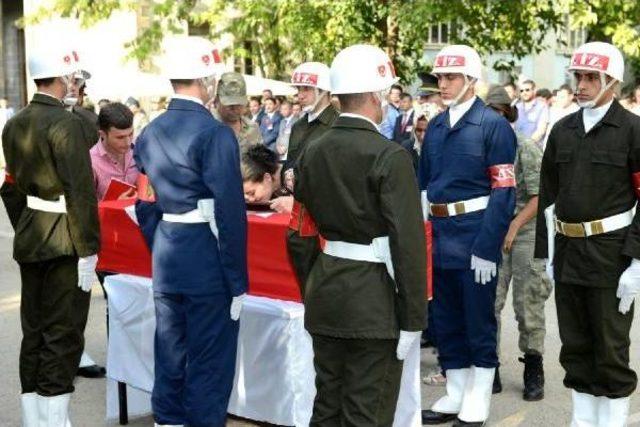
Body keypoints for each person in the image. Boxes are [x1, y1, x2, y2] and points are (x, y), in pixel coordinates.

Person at [287, 43, 426, 427]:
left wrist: (312, 286)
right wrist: (414, 317)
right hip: (374, 302)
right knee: (366, 412)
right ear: (374, 95)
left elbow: (299, 232)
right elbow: (408, 245)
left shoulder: (312, 150)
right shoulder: (390, 155)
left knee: (327, 407)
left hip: (327, 289)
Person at [133, 36, 248, 427]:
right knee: (209, 362)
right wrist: (237, 280)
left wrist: (160, 238)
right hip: (205, 258)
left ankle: (167, 421)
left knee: (170, 353)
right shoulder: (215, 134)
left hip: (168, 253)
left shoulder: (149, 131)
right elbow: (231, 214)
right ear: (206, 81)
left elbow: (143, 201)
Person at [535, 41, 640, 426]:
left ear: (611, 81)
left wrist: (637, 262)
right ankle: (582, 420)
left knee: (610, 348)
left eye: (590, 77)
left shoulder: (633, 130)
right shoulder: (562, 131)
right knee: (576, 346)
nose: (580, 84)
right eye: (577, 76)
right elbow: (548, 196)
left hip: (611, 255)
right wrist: (546, 255)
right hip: (568, 253)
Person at [1, 45, 100, 426]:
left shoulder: (15, 123)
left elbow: (10, 188)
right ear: (64, 78)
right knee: (64, 331)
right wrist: (88, 247)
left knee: (35, 330)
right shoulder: (65, 124)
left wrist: (28, 222)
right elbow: (80, 191)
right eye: (74, 76)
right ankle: (55, 420)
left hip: (33, 236)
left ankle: (35, 417)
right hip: (65, 240)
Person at [419, 45, 516, 427]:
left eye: (451, 77)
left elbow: (503, 191)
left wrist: (486, 248)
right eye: (440, 78)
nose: (442, 84)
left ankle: (479, 395)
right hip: (441, 235)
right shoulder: (437, 126)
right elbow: (425, 187)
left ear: (471, 80)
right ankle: (456, 390)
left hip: (475, 235)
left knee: (478, 320)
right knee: (445, 319)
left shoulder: (493, 126)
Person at [485, 85, 551, 402]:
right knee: (489, 302)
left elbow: (540, 197)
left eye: (498, 112)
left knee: (528, 304)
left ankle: (533, 368)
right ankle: (490, 368)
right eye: (488, 113)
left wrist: (513, 225)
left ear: (507, 115)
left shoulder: (525, 147)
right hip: (494, 230)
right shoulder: (483, 147)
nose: (492, 118)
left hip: (525, 229)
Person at [272, 61, 339, 214]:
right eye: (298, 89)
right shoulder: (298, 126)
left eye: (307, 89)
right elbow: (291, 163)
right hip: (294, 211)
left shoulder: (338, 125)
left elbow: (334, 178)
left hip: (323, 213)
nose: (300, 95)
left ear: (323, 91)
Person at [90, 102, 137, 200]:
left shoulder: (139, 150)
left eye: (131, 134)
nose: (128, 142)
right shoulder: (91, 161)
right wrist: (114, 204)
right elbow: (86, 207)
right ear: (103, 134)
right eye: (120, 137)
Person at [212, 71, 262, 152]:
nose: (235, 108)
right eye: (230, 104)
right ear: (217, 100)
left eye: (239, 104)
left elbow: (260, 161)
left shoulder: (252, 128)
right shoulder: (207, 127)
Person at [514, 79, 549, 147]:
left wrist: (526, 144)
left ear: (534, 90)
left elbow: (541, 130)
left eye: (527, 90)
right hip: (517, 148)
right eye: (521, 91)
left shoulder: (542, 107)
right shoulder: (517, 107)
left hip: (534, 150)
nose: (524, 93)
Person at [543, 84, 579, 148]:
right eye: (558, 97)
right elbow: (549, 131)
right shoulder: (553, 110)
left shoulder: (577, 112)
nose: (560, 100)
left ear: (571, 97)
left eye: (562, 97)